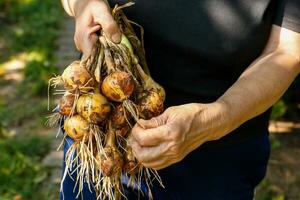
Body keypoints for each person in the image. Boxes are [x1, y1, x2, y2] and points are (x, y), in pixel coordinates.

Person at [60, 0, 300, 199]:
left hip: (218, 155)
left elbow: (286, 51)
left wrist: (215, 118)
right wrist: (82, 4)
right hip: (100, 128)